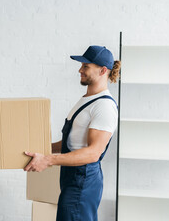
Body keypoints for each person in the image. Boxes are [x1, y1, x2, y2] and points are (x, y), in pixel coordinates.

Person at [24, 45, 121, 221]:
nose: (80, 70)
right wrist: (42, 149)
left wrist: (47, 160)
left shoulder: (104, 106)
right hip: (72, 180)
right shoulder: (88, 100)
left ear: (103, 70)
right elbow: (72, 142)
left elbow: (93, 153)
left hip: (83, 182)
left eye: (86, 66)